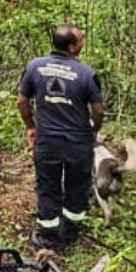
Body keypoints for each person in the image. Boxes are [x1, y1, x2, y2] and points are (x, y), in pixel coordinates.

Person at [18, 24, 106, 249]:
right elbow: (98, 110)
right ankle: (70, 232)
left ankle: (48, 235)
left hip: (47, 141)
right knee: (77, 185)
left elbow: (22, 101)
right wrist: (94, 129)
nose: (83, 43)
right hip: (78, 142)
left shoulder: (34, 67)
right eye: (81, 40)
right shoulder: (86, 73)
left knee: (48, 186)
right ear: (71, 46)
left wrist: (31, 126)